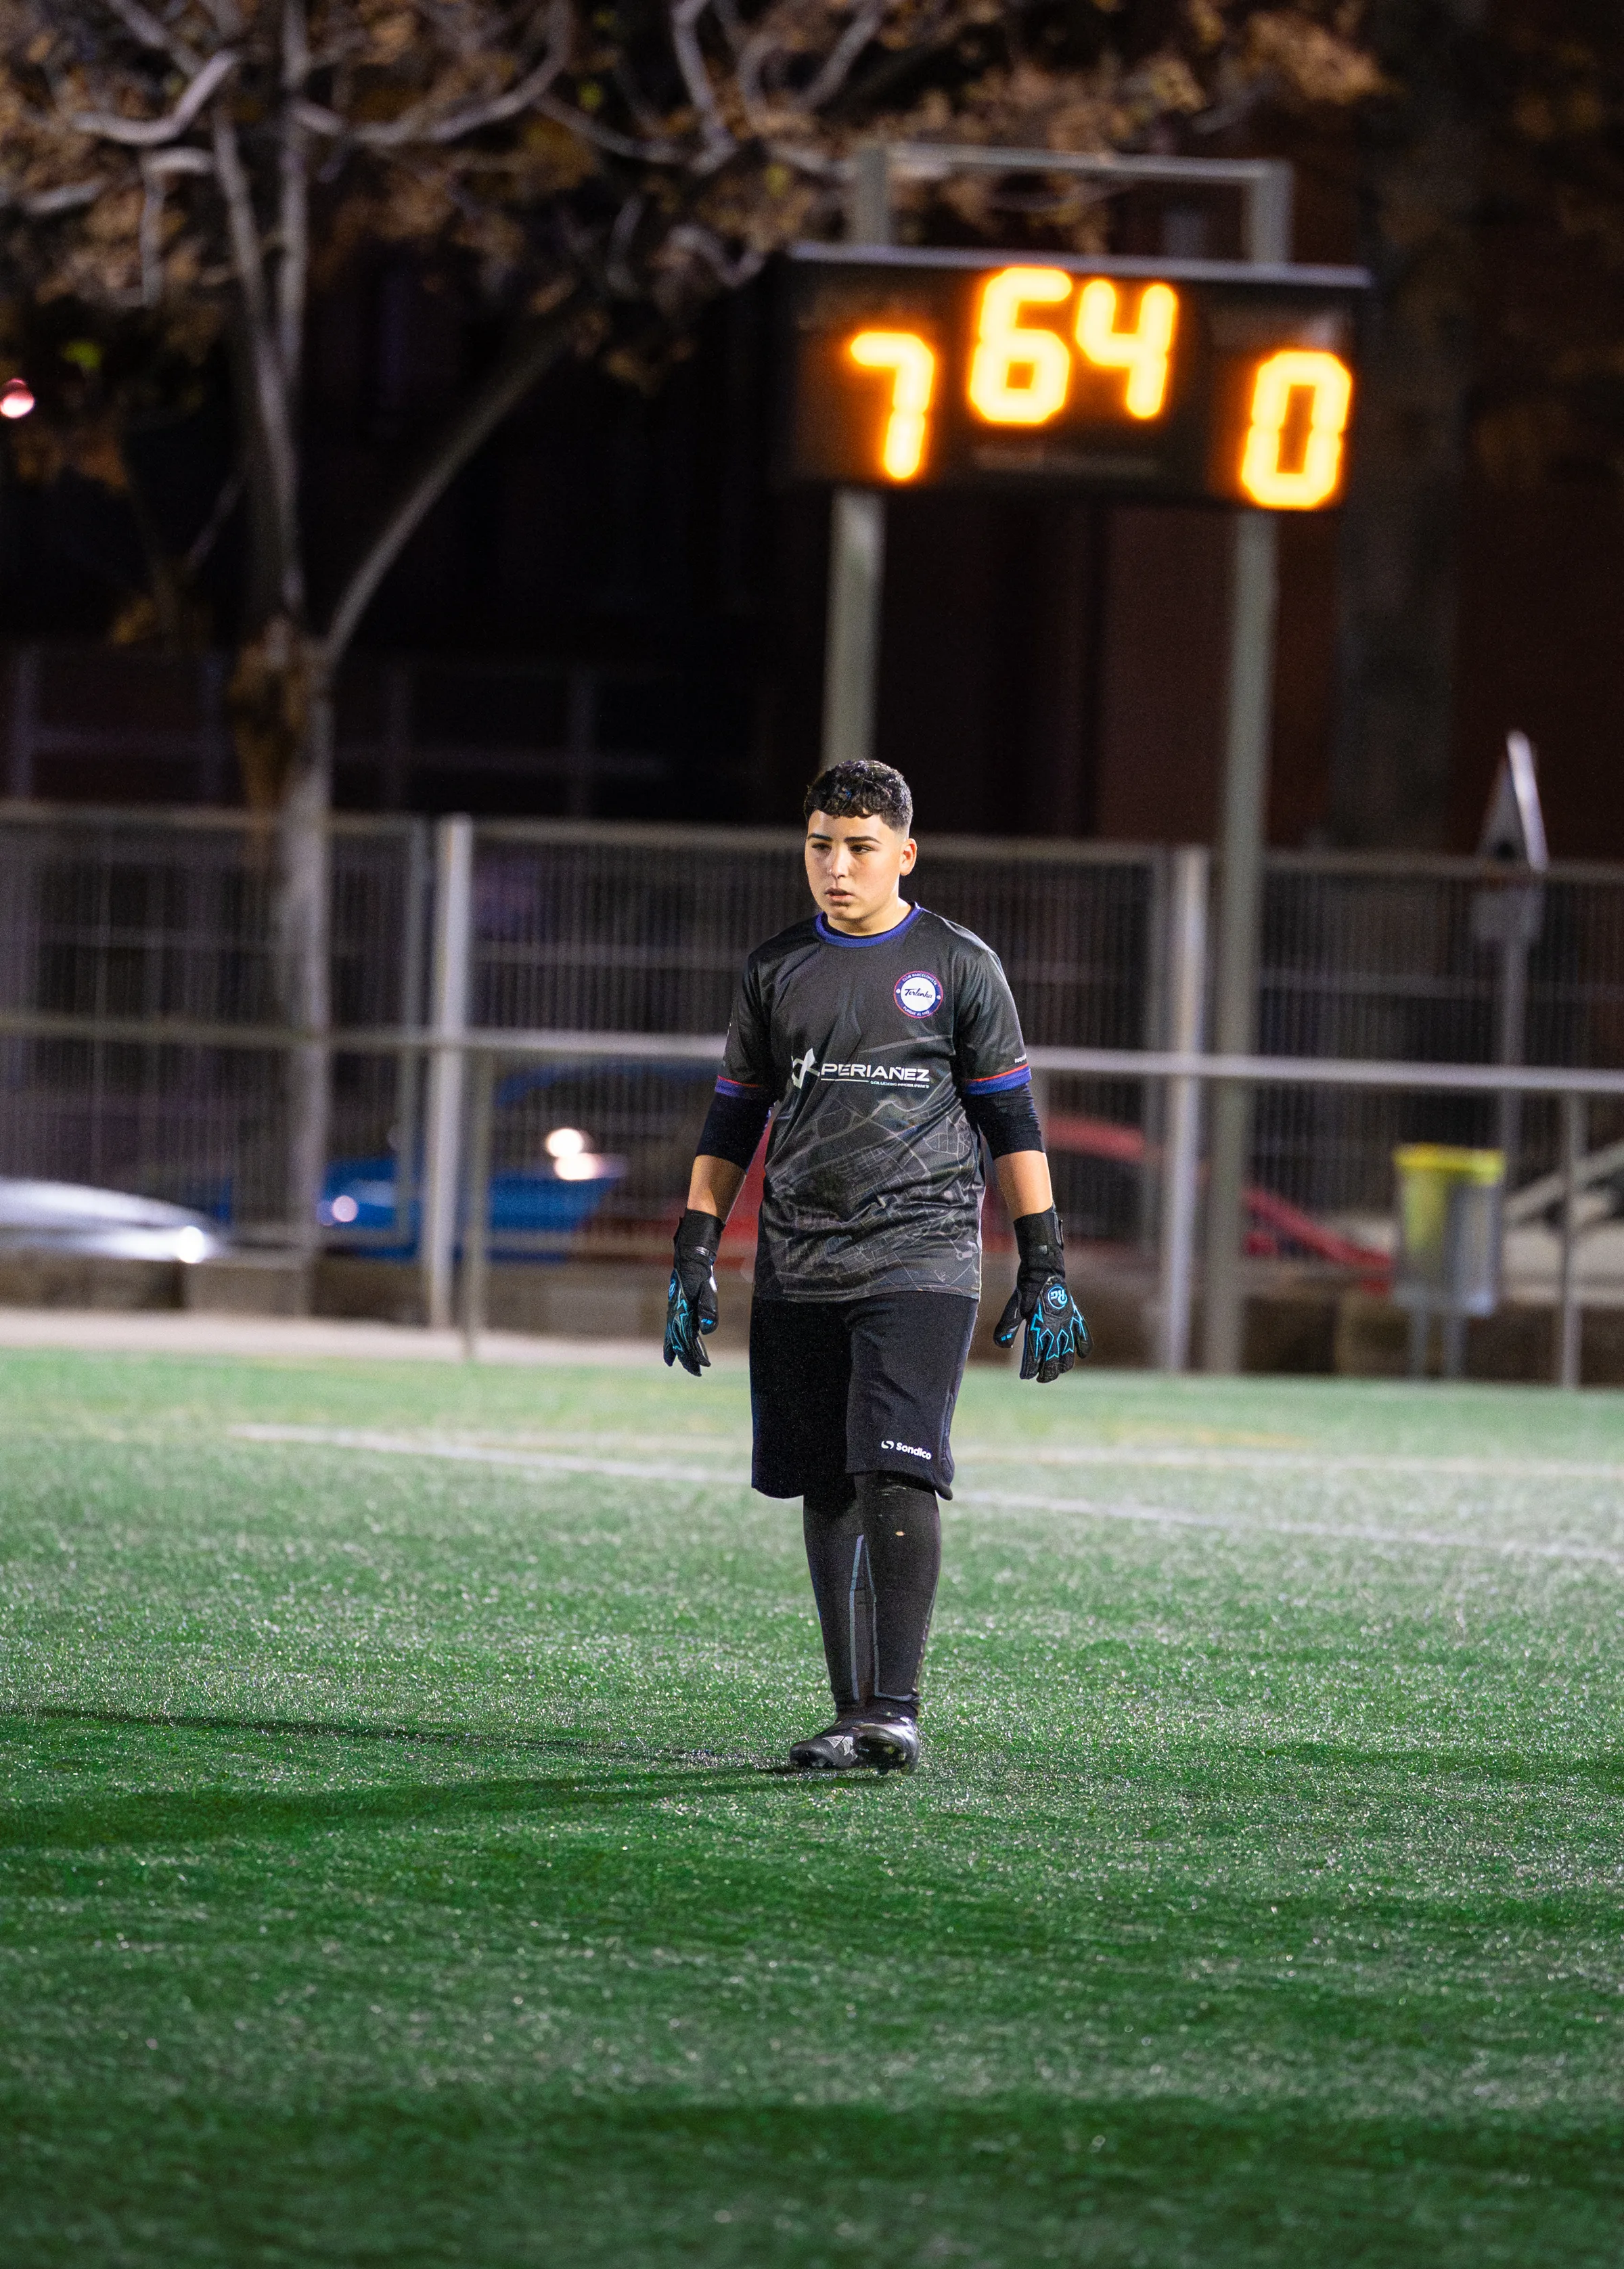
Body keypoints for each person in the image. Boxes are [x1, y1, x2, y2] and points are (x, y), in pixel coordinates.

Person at [663, 759, 1088, 1772]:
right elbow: (734, 1113)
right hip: (800, 1259)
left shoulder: (957, 963)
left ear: (904, 852)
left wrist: (1045, 1261)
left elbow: (1010, 1117)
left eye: (859, 848)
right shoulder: (775, 969)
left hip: (923, 1254)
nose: (837, 867)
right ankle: (852, 1714)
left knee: (895, 1467)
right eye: (820, 846)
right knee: (825, 1481)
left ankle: (893, 1711)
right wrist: (692, 1245)